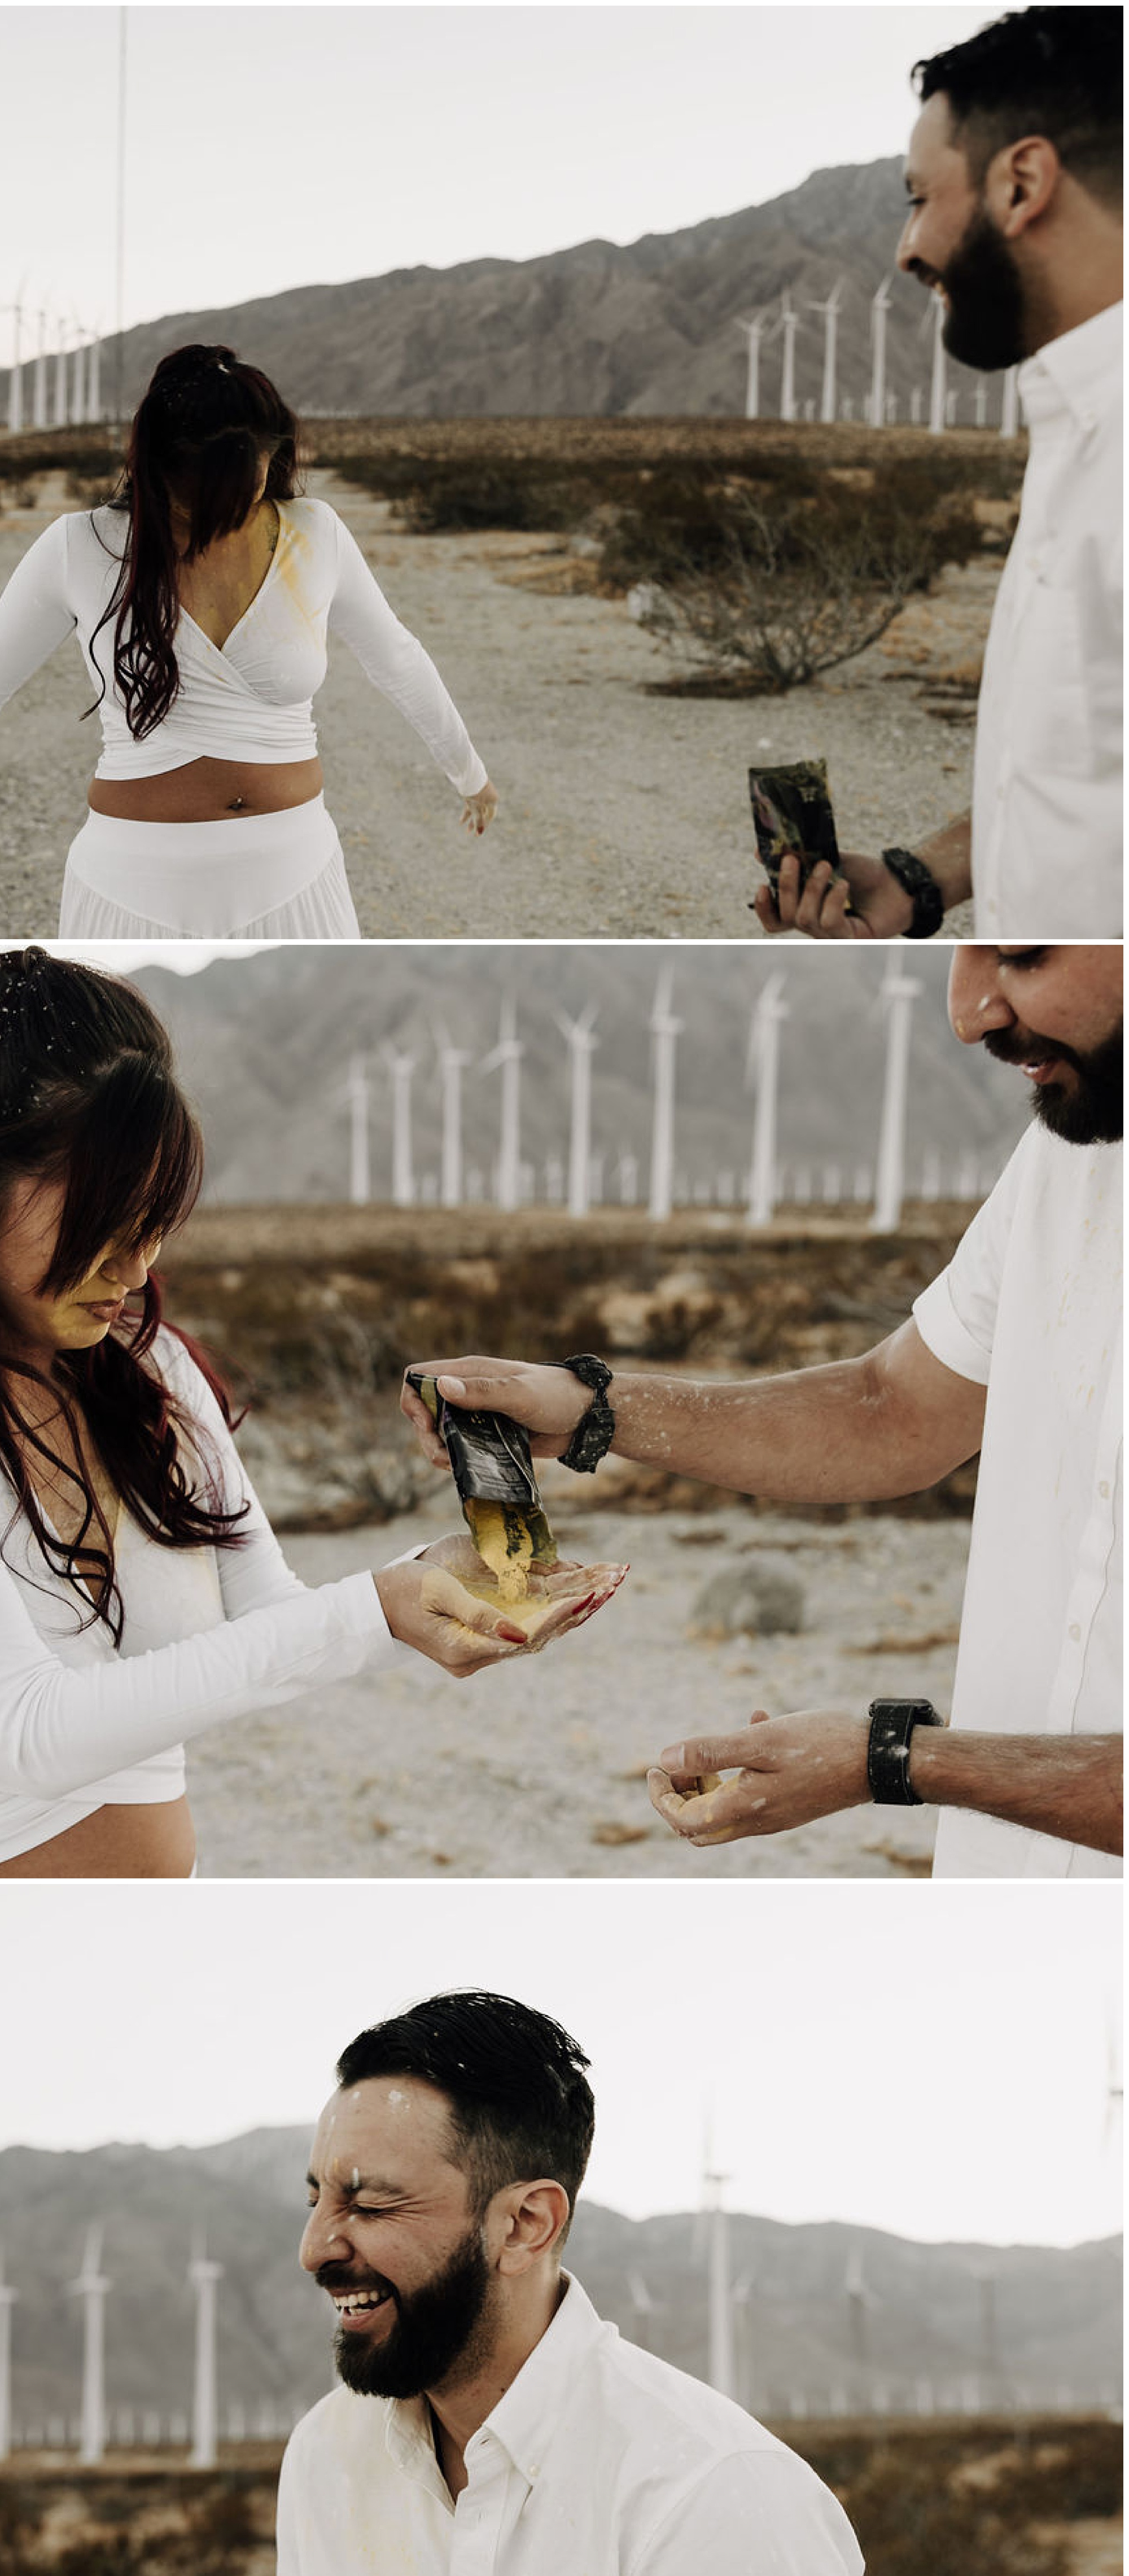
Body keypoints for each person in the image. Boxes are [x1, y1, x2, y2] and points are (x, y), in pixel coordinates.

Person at [0, 952, 611, 1882]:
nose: (137, 1266)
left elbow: (272, 1619)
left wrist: (430, 1587)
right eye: (102, 1220)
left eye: (154, 1219)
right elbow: (27, 1733)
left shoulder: (150, 1372)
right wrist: (372, 1612)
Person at [401, 946, 1123, 1879]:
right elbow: (890, 1408)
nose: (967, 1011)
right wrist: (591, 1408)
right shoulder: (1067, 1152)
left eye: (1023, 953)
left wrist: (891, 1759)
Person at [269, 1990, 864, 2576]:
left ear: (526, 2223)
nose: (315, 2248)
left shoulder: (718, 2497)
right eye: (317, 2201)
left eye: (369, 2205)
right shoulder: (326, 2456)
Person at [0, 343, 497, 941]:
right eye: (221, 483)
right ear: (165, 465)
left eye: (259, 469)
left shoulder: (315, 532)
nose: (244, 496)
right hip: (130, 887)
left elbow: (397, 657)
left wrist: (469, 772)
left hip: (297, 874)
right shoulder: (83, 546)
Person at [755, 6, 1122, 943]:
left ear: (1022, 183)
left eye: (920, 198)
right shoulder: (1076, 432)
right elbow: (1082, 778)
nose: (907, 249)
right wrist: (920, 878)